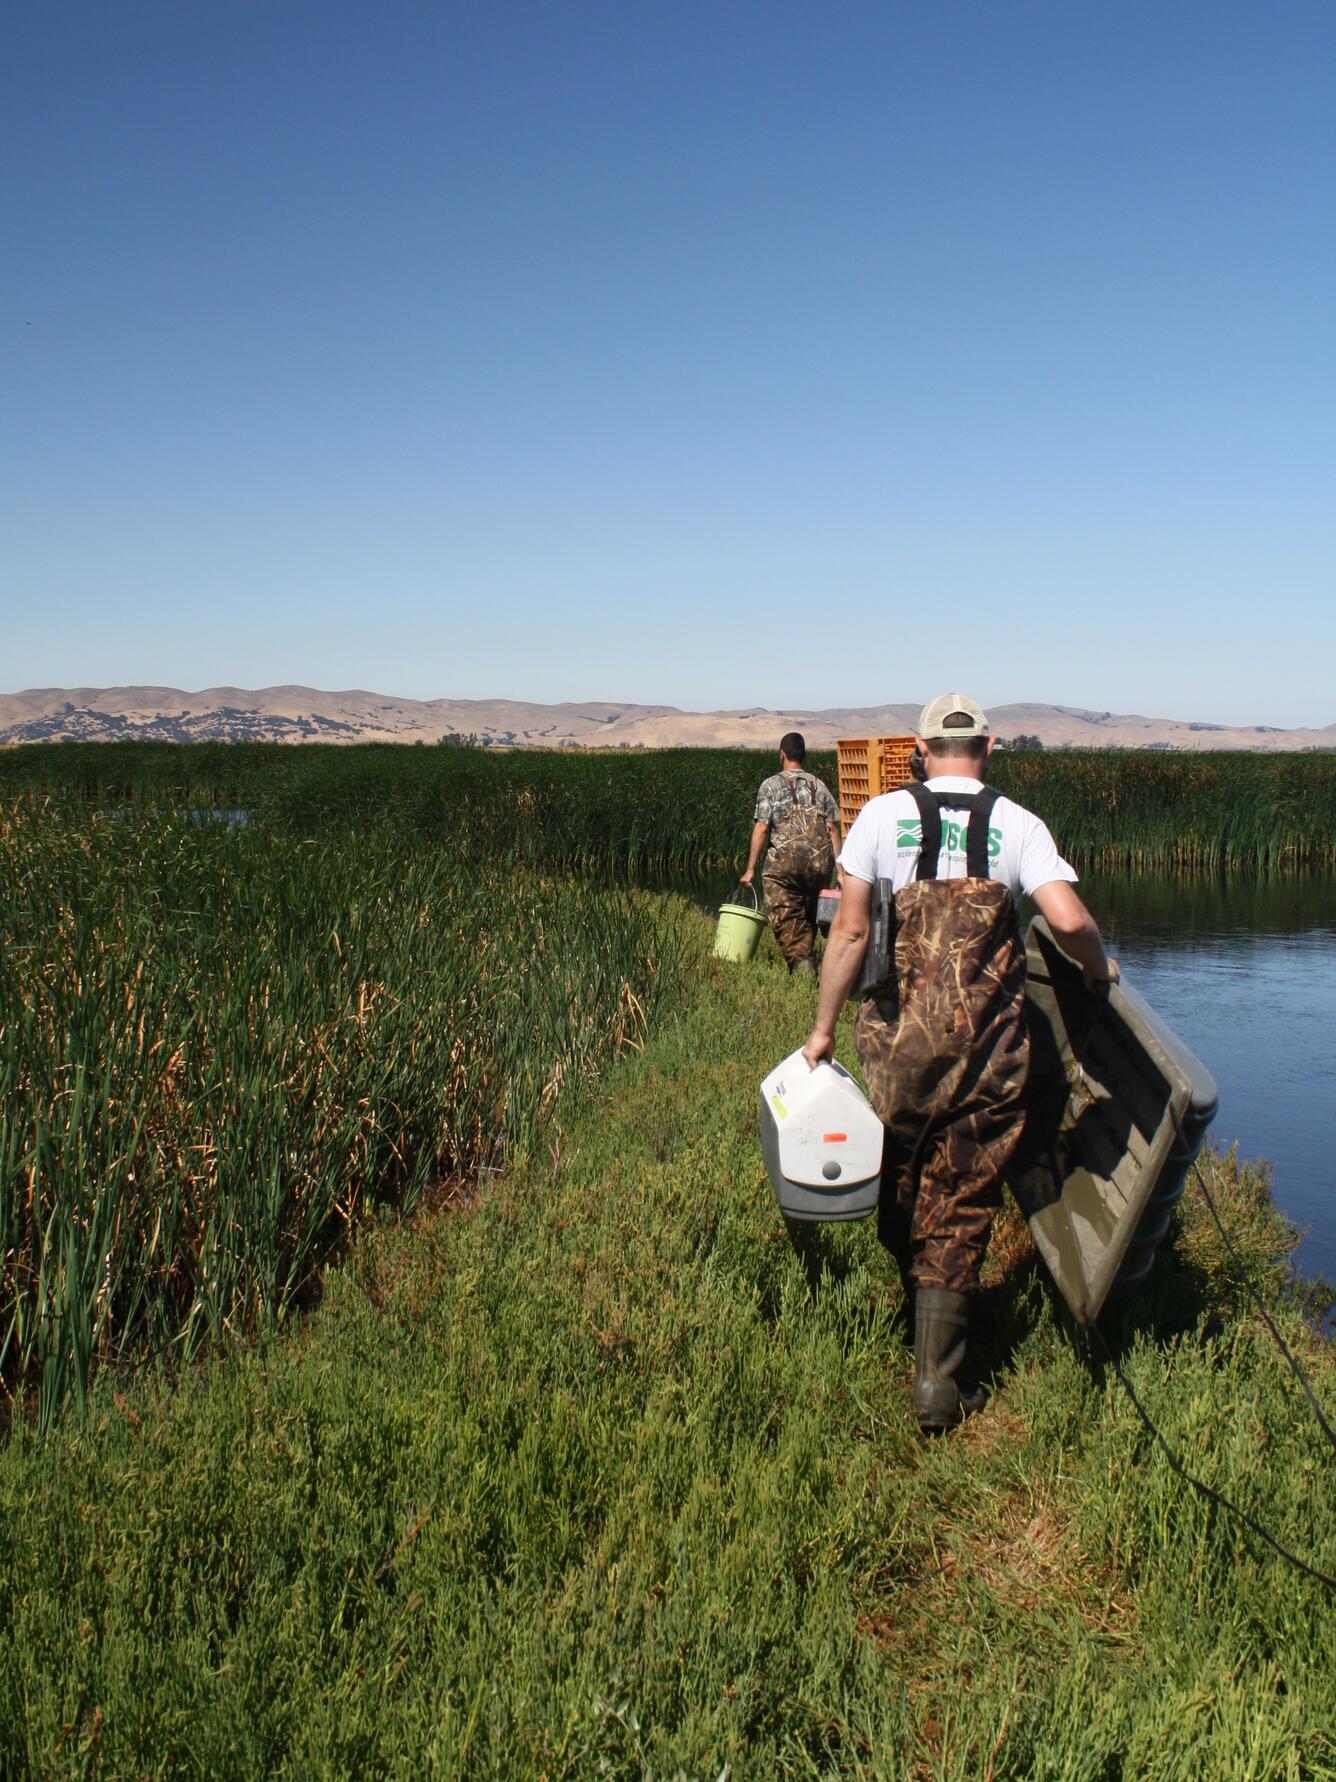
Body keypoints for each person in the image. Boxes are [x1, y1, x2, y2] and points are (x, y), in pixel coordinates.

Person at [802, 694, 1118, 1431]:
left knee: (901, 1178)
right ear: (989, 746)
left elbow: (849, 932)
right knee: (961, 1199)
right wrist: (1100, 974)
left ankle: (918, 1318)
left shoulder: (880, 816)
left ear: (919, 748)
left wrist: (822, 1030)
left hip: (895, 1053)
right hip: (985, 1056)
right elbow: (1068, 921)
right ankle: (939, 1385)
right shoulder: (1019, 823)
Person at [741, 733, 842, 975]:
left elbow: (762, 827)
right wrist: (840, 871)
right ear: (804, 756)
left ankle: (804, 973)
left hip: (785, 867)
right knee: (808, 916)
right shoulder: (820, 786)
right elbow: (832, 829)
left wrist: (750, 869)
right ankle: (811, 963)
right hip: (820, 866)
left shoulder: (770, 785)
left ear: (782, 755)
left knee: (788, 918)